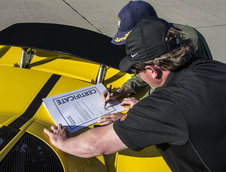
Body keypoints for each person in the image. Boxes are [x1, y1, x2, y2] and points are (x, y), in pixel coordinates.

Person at [44, 17, 226, 171]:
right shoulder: (213, 67)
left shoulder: (167, 105)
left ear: (153, 70)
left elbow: (98, 144)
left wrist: (63, 143)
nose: (136, 75)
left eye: (135, 70)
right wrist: (142, 111)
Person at [99, 1, 213, 125]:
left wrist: (133, 116)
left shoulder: (181, 45)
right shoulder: (156, 40)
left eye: (133, 36)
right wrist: (125, 89)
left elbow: (174, 96)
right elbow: (144, 68)